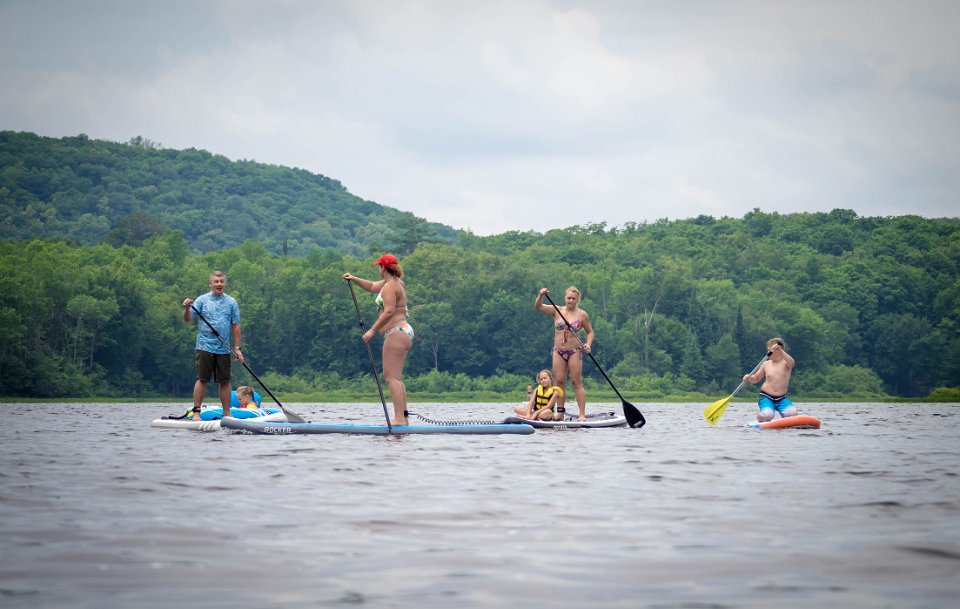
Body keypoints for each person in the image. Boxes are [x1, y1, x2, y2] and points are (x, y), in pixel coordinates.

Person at [343, 254, 413, 426]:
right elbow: (372, 286)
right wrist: (354, 278)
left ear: (383, 268)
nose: (378, 270)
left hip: (396, 333)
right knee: (396, 378)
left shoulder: (390, 287)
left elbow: (389, 311)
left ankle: (399, 419)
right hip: (404, 332)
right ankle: (403, 419)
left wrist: (372, 331)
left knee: (391, 378)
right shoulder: (396, 282)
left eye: (379, 267)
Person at [182, 270, 243, 421]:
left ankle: (227, 413)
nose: (219, 284)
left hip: (224, 347)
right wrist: (187, 308)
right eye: (216, 281)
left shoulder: (231, 302)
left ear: (225, 283)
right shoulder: (202, 300)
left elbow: (235, 325)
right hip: (204, 346)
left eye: (221, 281)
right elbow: (188, 319)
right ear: (210, 284)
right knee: (202, 379)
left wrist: (237, 349)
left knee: (225, 381)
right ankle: (197, 413)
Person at [535, 286, 594, 422]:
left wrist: (588, 344)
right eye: (568, 298)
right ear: (565, 298)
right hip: (558, 351)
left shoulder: (582, 314)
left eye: (573, 298)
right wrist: (541, 295)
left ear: (577, 300)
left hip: (574, 351)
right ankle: (560, 413)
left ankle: (582, 414)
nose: (570, 300)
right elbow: (539, 307)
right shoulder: (557, 310)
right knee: (559, 382)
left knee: (576, 382)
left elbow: (590, 332)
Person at [743, 337, 797, 422]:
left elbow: (792, 363)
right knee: (767, 416)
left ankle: (785, 417)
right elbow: (756, 378)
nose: (768, 353)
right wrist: (749, 378)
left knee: (792, 414)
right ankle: (761, 416)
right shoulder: (766, 364)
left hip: (782, 398)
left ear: (779, 350)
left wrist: (780, 350)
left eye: (770, 350)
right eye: (768, 350)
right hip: (766, 397)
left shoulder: (786, 363)